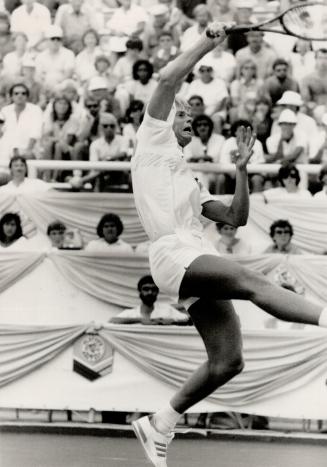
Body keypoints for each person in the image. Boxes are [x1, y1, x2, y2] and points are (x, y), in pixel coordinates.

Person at [130, 21, 327, 467]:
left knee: (228, 361)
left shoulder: (188, 175)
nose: (189, 121)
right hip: (172, 253)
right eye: (183, 115)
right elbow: (167, 79)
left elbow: (236, 218)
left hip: (194, 255)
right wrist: (208, 42)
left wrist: (241, 168)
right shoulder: (152, 138)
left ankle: (159, 422)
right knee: (250, 280)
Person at [110, 275, 190, 324]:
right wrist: (141, 321)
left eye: (153, 290)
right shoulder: (131, 313)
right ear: (139, 292)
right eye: (146, 289)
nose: (150, 292)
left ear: (157, 292)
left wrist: (172, 321)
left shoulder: (167, 310)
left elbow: (188, 320)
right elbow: (113, 321)